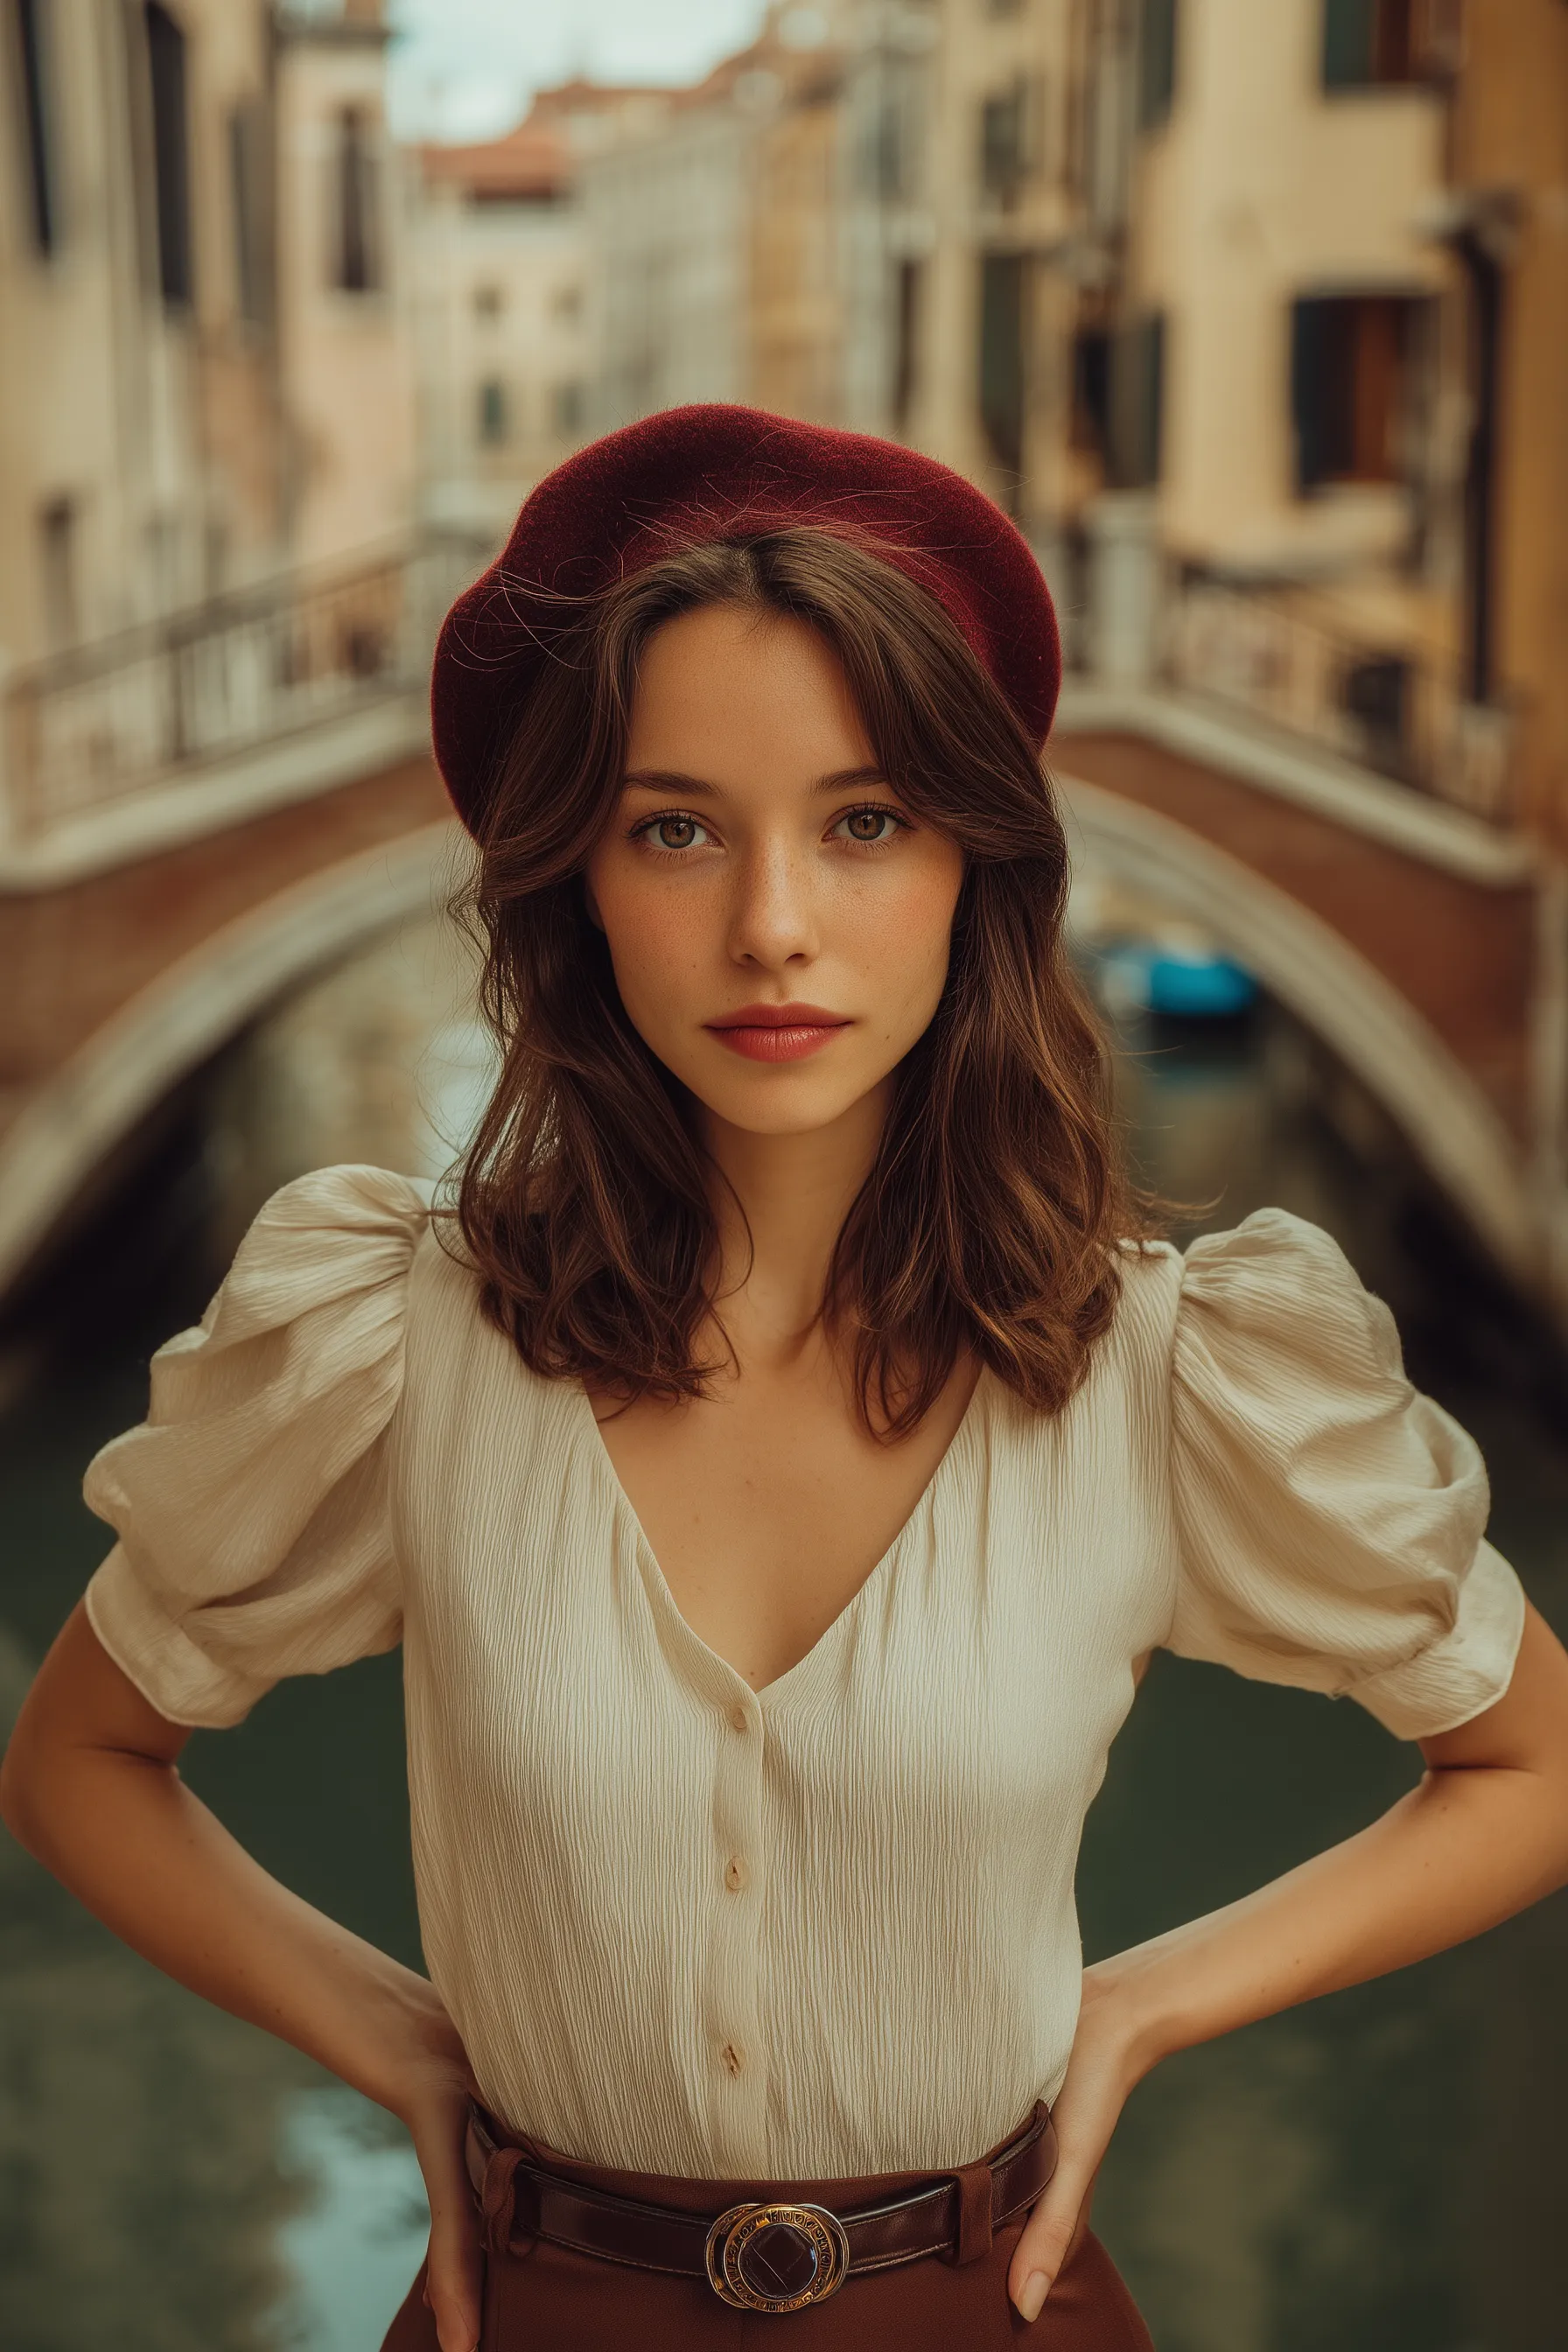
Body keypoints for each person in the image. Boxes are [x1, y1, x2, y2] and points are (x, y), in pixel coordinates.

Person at [4, 404, 1568, 2352]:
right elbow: (79, 1757)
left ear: (966, 870)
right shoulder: (391, 1348)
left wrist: (1142, 2006)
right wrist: (401, 2043)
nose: (769, 927)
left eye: (861, 822)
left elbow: (1528, 1760)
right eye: (676, 827)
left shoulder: (1166, 1373)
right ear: (575, 878)